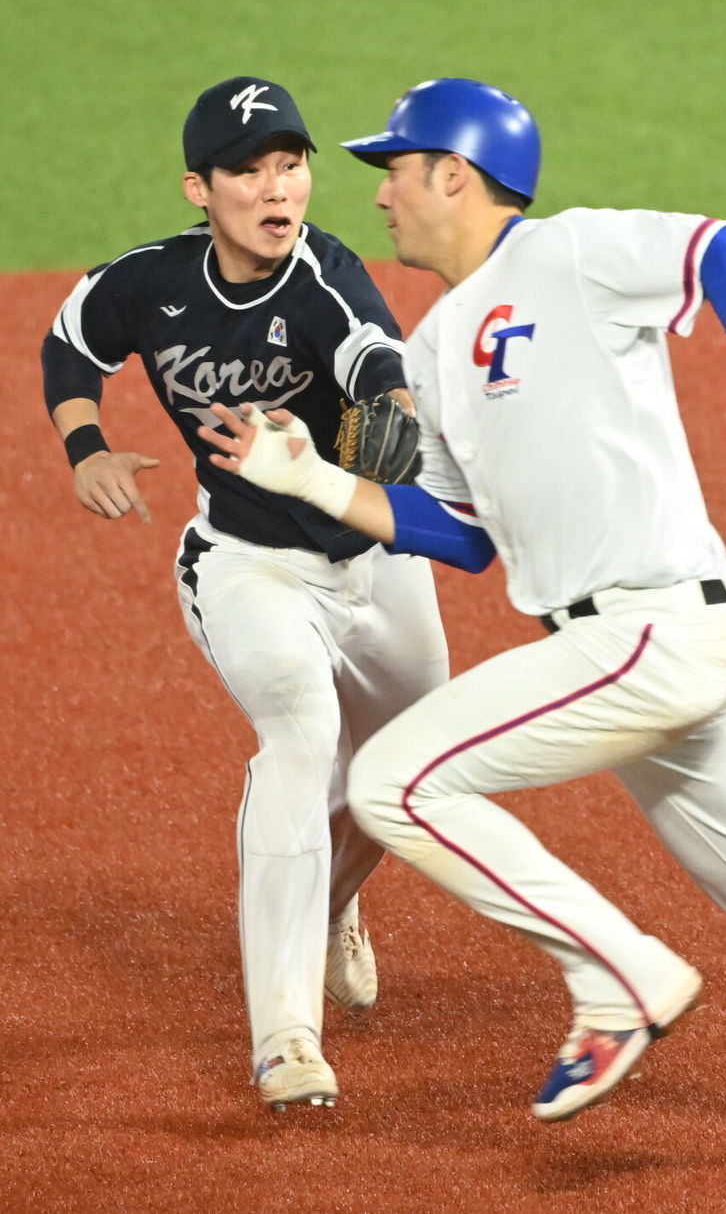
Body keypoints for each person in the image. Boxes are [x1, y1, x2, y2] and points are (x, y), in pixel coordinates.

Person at [198, 77, 726, 1155]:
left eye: (393, 169)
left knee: (395, 778)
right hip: (633, 644)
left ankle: (614, 974)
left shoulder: (567, 253)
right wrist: (307, 481)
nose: (380, 195)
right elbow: (460, 532)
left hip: (654, 628)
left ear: (456, 174)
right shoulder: (435, 347)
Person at [41, 76, 450, 1111]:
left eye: (292, 162)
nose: (280, 188)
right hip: (247, 564)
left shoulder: (328, 279)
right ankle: (285, 1037)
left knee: (406, 768)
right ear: (201, 188)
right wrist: (83, 441)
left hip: (375, 562)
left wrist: (390, 414)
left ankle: (327, 901)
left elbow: (375, 360)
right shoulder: (154, 282)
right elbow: (70, 338)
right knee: (304, 734)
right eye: (249, 169)